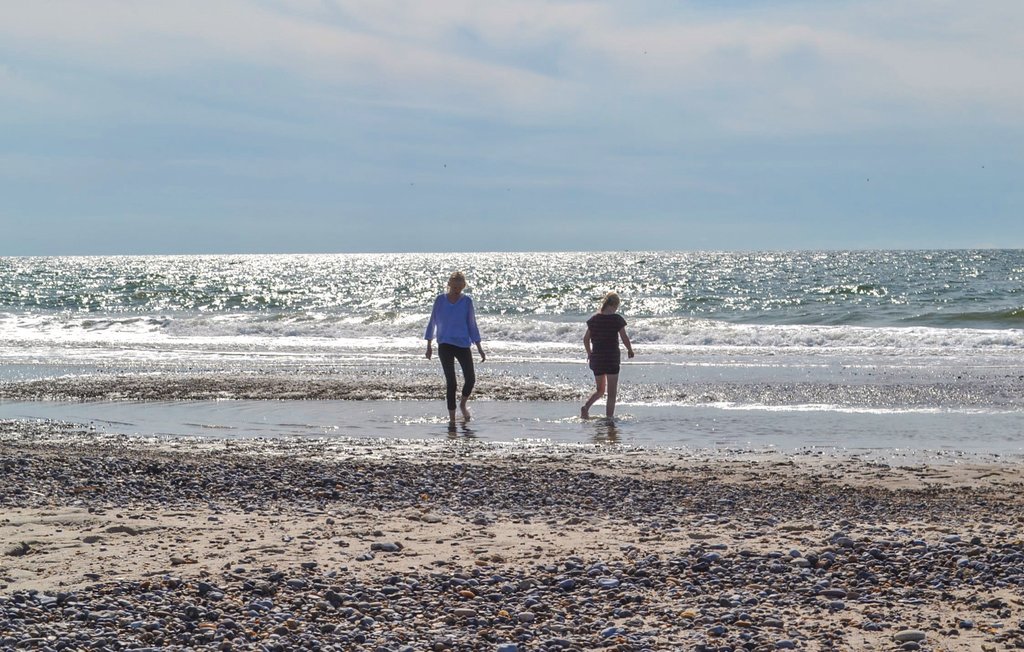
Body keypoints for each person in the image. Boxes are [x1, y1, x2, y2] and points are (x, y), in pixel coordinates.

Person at [425, 271, 486, 423]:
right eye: (455, 287)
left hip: (463, 345)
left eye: (460, 287)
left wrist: (479, 347)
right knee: (451, 383)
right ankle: (452, 419)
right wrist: (429, 344)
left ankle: (463, 404)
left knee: (470, 379)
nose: (457, 289)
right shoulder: (440, 300)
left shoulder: (466, 302)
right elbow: (433, 321)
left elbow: (472, 324)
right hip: (445, 344)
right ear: (449, 284)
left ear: (464, 286)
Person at [581, 291, 634, 419]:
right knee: (611, 393)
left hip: (597, 359)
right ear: (614, 305)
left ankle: (586, 407)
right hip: (611, 359)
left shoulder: (594, 319)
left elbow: (585, 339)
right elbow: (624, 337)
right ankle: (609, 419)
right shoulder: (617, 319)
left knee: (600, 390)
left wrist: (590, 353)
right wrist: (630, 349)